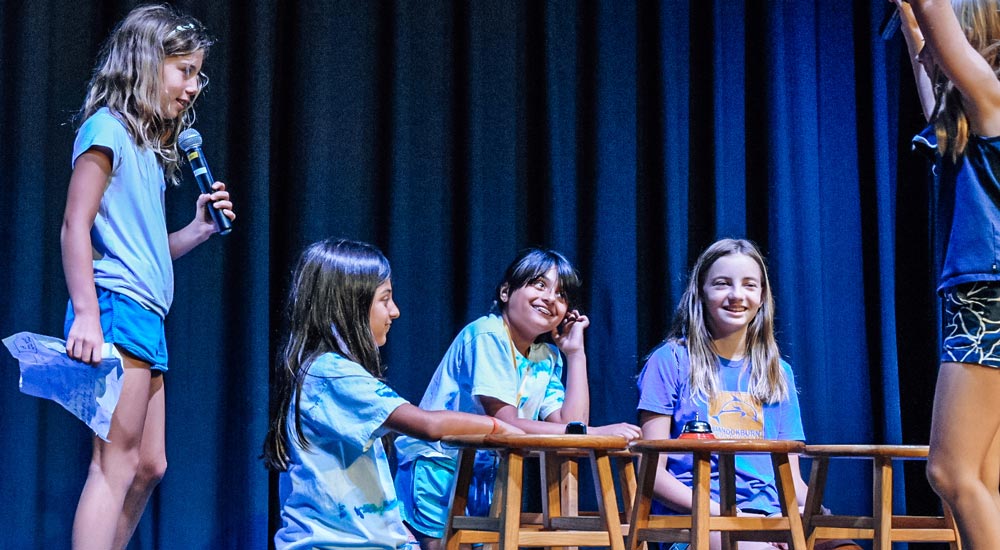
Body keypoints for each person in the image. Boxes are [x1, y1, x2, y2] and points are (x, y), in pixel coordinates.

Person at [60, 5, 234, 549]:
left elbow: (143, 250)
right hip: (114, 307)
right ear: (145, 62)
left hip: (144, 311)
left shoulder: (147, 150)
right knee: (114, 463)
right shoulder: (106, 128)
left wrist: (196, 232)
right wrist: (87, 314)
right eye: (184, 71)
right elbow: (74, 225)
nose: (193, 87)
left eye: (198, 74)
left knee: (149, 465)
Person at [262, 238, 522, 550]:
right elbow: (429, 425)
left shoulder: (325, 371)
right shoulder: (331, 372)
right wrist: (498, 426)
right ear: (350, 306)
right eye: (385, 300)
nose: (395, 311)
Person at [394, 247, 642, 550]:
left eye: (561, 294)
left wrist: (575, 354)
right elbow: (505, 421)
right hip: (440, 468)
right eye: (539, 285)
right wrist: (594, 433)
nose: (551, 298)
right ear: (505, 292)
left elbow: (571, 428)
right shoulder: (488, 334)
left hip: (485, 473)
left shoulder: (546, 356)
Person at [636, 239, 857, 550]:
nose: (737, 295)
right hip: (696, 521)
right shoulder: (670, 361)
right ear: (701, 291)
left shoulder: (777, 372)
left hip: (773, 517)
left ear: (762, 296)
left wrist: (815, 514)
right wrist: (734, 518)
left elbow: (790, 478)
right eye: (722, 284)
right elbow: (652, 476)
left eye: (749, 285)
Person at [893, 0, 1000, 546]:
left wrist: (925, 13)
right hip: (981, 295)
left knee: (950, 472)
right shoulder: (970, 113)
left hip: (990, 297)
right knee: (980, 477)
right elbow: (934, 92)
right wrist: (912, 28)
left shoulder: (991, 96)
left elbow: (937, 14)